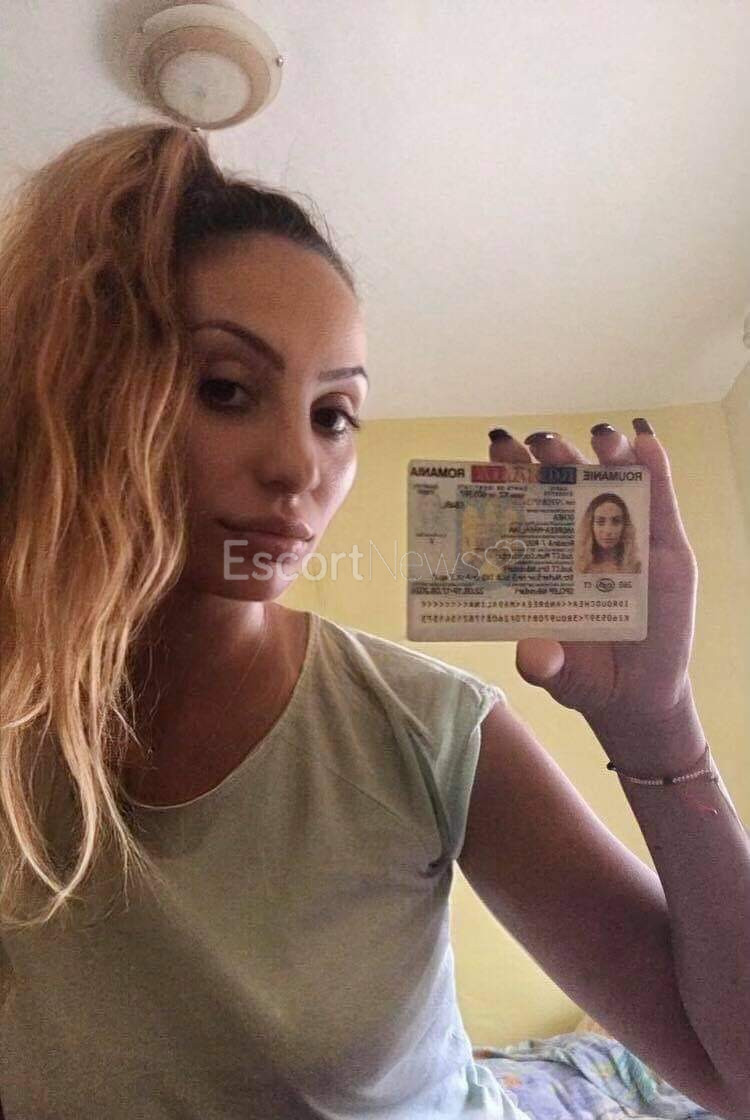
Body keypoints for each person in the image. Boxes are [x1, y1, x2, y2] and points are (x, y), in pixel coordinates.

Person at [0, 124, 748, 1120]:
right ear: (88, 393)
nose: (299, 467)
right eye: (226, 389)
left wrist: (658, 726)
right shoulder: (17, 730)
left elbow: (735, 1073)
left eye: (334, 415)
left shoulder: (424, 727)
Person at [576, 492, 642, 574]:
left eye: (616, 521)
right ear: (590, 525)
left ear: (625, 527)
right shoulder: (578, 567)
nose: (608, 531)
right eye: (600, 522)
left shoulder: (636, 568)